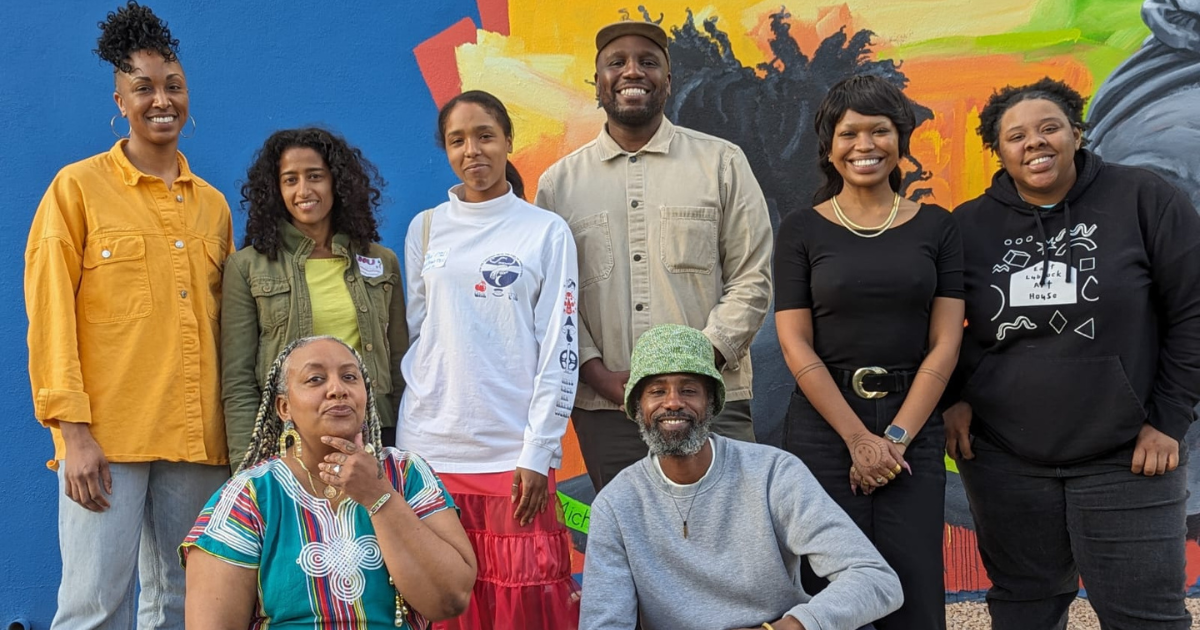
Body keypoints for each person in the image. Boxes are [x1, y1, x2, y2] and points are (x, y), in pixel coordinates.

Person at [945, 77, 1200, 629]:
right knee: (1024, 609)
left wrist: (1169, 420)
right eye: (1016, 136)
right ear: (998, 150)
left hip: (1130, 456)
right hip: (1005, 460)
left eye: (1048, 128)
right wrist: (955, 399)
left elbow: (1192, 312)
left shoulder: (1145, 199)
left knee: (1146, 618)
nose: (1034, 143)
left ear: (1076, 134)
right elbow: (944, 327)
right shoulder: (967, 226)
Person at [23, 3, 233, 628]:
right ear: (119, 100)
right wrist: (72, 432)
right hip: (106, 440)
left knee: (176, 603)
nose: (160, 100)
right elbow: (51, 312)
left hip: (196, 442)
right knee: (93, 608)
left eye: (173, 85)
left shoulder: (214, 208)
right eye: (142, 87)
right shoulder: (77, 189)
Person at [536, 20, 774, 491]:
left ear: (669, 80)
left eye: (648, 62)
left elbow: (753, 277)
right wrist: (596, 373)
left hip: (713, 399)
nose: (632, 72)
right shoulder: (558, 186)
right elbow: (552, 297)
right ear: (598, 81)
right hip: (608, 410)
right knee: (635, 547)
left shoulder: (722, 163)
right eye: (616, 62)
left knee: (730, 538)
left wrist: (693, 367)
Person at [773, 75, 964, 630]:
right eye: (849, 132)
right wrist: (857, 438)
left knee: (914, 583)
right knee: (827, 586)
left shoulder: (938, 226)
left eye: (879, 130)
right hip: (823, 427)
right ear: (829, 147)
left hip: (913, 423)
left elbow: (945, 343)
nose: (865, 145)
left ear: (900, 139)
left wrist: (894, 441)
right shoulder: (802, 230)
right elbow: (794, 341)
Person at [581, 324, 903, 630]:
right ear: (637, 406)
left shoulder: (773, 474)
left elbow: (874, 578)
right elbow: (605, 622)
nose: (674, 402)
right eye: (657, 391)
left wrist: (785, 627)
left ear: (711, 403)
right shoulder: (616, 505)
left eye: (689, 389)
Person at [399, 90, 580, 629]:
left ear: (507, 141)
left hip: (511, 454)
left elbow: (559, 347)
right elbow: (419, 335)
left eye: (484, 136)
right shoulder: (425, 228)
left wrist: (538, 449)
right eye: (457, 140)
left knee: (521, 604)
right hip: (429, 447)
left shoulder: (545, 231)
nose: (472, 150)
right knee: (441, 602)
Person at [182, 336, 476, 628]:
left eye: (350, 377)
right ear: (284, 408)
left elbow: (451, 600)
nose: (337, 390)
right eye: (315, 379)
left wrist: (379, 495)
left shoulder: (406, 473)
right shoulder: (251, 496)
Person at [222, 127, 406, 459]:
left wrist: (397, 445)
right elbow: (238, 383)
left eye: (315, 176)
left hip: (371, 436)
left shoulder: (382, 261)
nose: (303, 190)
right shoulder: (247, 267)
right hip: (288, 441)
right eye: (290, 180)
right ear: (276, 190)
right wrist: (247, 464)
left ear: (337, 181)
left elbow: (398, 366)